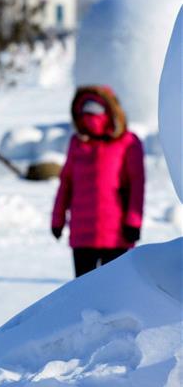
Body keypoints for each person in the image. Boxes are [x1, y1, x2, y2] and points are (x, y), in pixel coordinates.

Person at [51, 86, 145, 277]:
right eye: (86, 110)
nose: (90, 116)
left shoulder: (127, 142)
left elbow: (137, 184)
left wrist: (133, 222)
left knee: (113, 293)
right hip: (83, 236)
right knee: (85, 295)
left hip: (117, 235)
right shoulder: (77, 143)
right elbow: (66, 183)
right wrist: (57, 219)